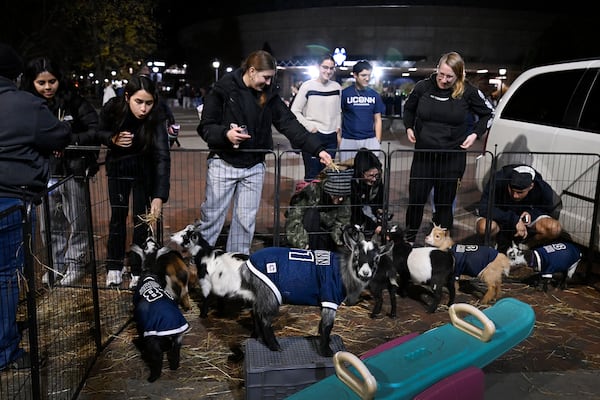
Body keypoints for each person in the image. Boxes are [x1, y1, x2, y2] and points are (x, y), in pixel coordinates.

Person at [197, 49, 333, 255]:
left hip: (254, 165)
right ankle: (199, 263)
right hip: (223, 163)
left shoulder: (268, 95)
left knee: (245, 223)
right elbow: (206, 127)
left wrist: (317, 149)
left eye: (272, 78)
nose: (269, 83)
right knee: (212, 219)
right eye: (266, 77)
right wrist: (226, 134)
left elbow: (289, 124)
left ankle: (237, 264)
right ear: (251, 71)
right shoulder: (223, 89)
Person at [0, 43, 71, 371]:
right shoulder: (24, 105)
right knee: (4, 278)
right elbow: (57, 136)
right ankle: (6, 351)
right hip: (9, 200)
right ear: (16, 75)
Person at [21, 56, 100, 286]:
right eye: (41, 82)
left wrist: (68, 142)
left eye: (52, 81)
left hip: (72, 172)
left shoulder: (74, 102)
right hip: (43, 174)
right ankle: (55, 266)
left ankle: (77, 263)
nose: (47, 87)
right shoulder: (28, 105)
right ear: (32, 82)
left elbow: (94, 130)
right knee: (49, 225)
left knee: (78, 221)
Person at [402, 51, 494, 243]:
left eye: (449, 76)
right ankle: (409, 240)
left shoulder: (468, 91)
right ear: (437, 70)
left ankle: (440, 242)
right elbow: (408, 108)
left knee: (444, 203)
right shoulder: (423, 87)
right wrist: (409, 127)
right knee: (416, 199)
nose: (443, 80)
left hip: (451, 157)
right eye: (441, 74)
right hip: (424, 156)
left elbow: (489, 114)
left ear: (459, 75)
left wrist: (474, 134)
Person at [96, 75, 171, 288]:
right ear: (127, 96)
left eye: (149, 103)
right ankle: (114, 265)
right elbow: (98, 132)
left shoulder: (156, 116)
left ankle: (137, 268)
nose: (144, 108)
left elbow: (162, 157)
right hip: (119, 170)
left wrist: (159, 195)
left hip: (143, 174)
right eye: (139, 102)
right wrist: (112, 138)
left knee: (141, 220)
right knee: (118, 217)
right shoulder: (113, 108)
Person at [476, 164, 562, 252]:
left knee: (554, 228)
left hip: (525, 220)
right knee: (484, 227)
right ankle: (492, 245)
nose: (515, 195)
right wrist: (514, 219)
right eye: (511, 190)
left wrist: (531, 214)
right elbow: (483, 208)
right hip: (501, 217)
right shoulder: (498, 180)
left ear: (531, 186)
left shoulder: (542, 187)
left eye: (520, 192)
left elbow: (547, 210)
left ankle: (526, 247)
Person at [290, 54, 341, 182]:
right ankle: (310, 202)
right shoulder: (307, 86)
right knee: (312, 176)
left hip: (331, 138)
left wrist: (338, 129)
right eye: (325, 67)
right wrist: (309, 126)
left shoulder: (337, 87)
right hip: (313, 136)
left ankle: (323, 202)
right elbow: (294, 111)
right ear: (318, 67)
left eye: (331, 68)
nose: (328, 71)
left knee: (327, 176)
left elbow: (338, 111)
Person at [285, 168, 353, 250]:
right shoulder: (310, 193)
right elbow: (293, 222)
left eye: (343, 196)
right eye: (337, 195)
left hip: (327, 235)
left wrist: (340, 242)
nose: (341, 199)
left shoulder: (344, 200)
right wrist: (303, 244)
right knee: (312, 214)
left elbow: (342, 222)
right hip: (306, 234)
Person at [339, 60, 385, 162]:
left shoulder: (375, 95)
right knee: (348, 172)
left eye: (369, 75)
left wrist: (377, 141)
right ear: (355, 75)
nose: (367, 78)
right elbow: (338, 117)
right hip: (348, 139)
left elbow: (378, 119)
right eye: (363, 75)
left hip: (370, 139)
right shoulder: (345, 94)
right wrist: (339, 140)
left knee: (370, 174)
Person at [350, 148, 385, 239]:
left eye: (376, 175)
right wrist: (374, 226)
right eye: (370, 175)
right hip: (355, 216)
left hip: (370, 213)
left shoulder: (377, 181)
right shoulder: (352, 183)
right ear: (361, 173)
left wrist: (380, 211)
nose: (374, 179)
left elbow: (380, 202)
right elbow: (355, 211)